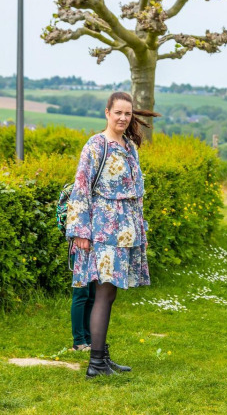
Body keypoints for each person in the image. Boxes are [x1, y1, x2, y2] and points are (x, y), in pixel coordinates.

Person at [66, 91, 154, 379]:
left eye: (127, 113)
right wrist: (80, 231)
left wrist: (140, 227)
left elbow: (136, 190)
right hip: (103, 229)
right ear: (107, 112)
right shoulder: (95, 146)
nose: (123, 118)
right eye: (118, 112)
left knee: (110, 293)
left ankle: (101, 356)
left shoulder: (129, 146)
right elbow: (81, 188)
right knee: (103, 292)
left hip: (124, 229)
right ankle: (95, 363)